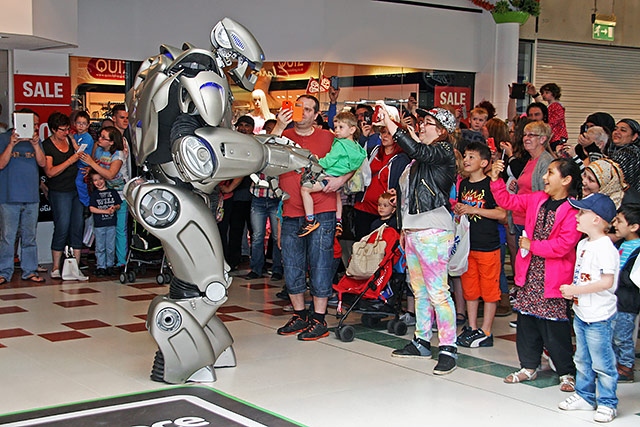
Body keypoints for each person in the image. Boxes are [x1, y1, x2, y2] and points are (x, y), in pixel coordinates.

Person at [490, 157, 582, 391]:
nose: (544, 177)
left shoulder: (573, 210)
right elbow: (507, 200)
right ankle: (528, 367)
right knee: (527, 323)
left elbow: (564, 245)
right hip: (529, 274)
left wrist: (532, 245)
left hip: (553, 278)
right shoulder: (538, 199)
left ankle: (566, 372)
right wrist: (495, 179)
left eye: (550, 173)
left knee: (555, 328)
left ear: (566, 179)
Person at [379, 106, 459, 375]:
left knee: (437, 292)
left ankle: (448, 347)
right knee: (420, 291)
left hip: (434, 231)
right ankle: (422, 340)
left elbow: (418, 150)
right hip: (413, 231)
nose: (422, 126)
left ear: (442, 131)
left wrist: (395, 127)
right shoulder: (420, 160)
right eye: (422, 123)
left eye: (428, 123)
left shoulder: (443, 151)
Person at [272, 94, 349, 341]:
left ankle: (318, 319)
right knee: (291, 264)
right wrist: (280, 126)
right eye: (299, 108)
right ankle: (299, 315)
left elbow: (353, 158)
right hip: (290, 209)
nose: (302, 113)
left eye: (308, 109)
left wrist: (341, 180)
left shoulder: (328, 137)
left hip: (322, 210)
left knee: (320, 263)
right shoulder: (282, 135)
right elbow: (265, 155)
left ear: (316, 114)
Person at [558, 193, 619, 423]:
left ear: (596, 219)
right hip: (582, 312)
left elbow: (607, 282)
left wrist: (576, 291)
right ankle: (584, 396)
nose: (577, 216)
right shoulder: (583, 244)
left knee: (602, 362)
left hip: (599, 316)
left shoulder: (605, 247)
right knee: (582, 358)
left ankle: (607, 402)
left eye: (582, 212)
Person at [454, 142, 506, 348]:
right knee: (470, 289)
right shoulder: (464, 184)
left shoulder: (491, 184)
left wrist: (474, 210)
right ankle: (473, 326)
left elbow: (502, 214)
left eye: (471, 157)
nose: (466, 160)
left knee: (490, 290)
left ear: (484, 162)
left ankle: (486, 330)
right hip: (468, 246)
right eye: (465, 156)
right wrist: (461, 209)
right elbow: (464, 210)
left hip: (488, 245)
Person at [298, 112, 366, 237]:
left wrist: (317, 161)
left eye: (341, 127)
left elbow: (329, 160)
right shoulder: (357, 147)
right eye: (336, 128)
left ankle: (310, 219)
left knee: (305, 189)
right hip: (340, 179)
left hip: (328, 176)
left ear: (352, 129)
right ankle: (338, 221)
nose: (337, 131)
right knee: (337, 195)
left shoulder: (340, 145)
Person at [0, 110, 46, 284]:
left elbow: (42, 163)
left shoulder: (36, 141)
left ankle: (29, 270)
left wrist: (35, 144)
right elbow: (1, 164)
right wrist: (11, 144)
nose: (34, 127)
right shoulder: (4, 138)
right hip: (8, 197)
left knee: (29, 237)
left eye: (36, 124)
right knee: (7, 237)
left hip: (31, 197)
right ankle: (4, 272)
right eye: (31, 123)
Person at [78, 126, 127, 275]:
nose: (99, 139)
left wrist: (92, 164)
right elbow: (97, 167)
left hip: (119, 194)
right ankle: (102, 264)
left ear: (112, 142)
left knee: (119, 230)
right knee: (101, 230)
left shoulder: (118, 155)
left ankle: (120, 262)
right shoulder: (98, 150)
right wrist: (91, 169)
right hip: (102, 194)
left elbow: (111, 174)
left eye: (103, 137)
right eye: (100, 136)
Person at [42, 112, 85, 279]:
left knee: (77, 225)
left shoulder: (70, 140)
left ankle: (76, 266)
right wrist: (71, 160)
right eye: (62, 130)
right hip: (59, 190)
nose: (66, 132)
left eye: (68, 129)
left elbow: (80, 158)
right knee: (62, 225)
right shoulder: (47, 145)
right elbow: (50, 172)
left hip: (76, 189)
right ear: (53, 129)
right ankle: (55, 266)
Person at [611, 204, 640, 383]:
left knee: (623, 336)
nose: (615, 224)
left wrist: (616, 277)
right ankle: (614, 364)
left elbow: (633, 278)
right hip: (614, 298)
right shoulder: (621, 243)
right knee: (613, 333)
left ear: (634, 226)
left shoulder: (637, 248)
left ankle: (626, 366)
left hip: (627, 300)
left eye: (620, 221)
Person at [110, 104, 132, 269]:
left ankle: (119, 260)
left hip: (122, 188)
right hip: (113, 189)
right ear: (114, 119)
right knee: (114, 228)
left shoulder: (126, 138)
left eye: (127, 117)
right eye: (121, 117)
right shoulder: (112, 139)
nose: (125, 120)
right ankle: (117, 261)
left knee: (118, 229)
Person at [88, 170, 122, 277]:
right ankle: (101, 266)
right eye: (95, 180)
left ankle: (110, 266)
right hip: (99, 225)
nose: (98, 182)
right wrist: (105, 211)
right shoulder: (94, 194)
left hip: (111, 223)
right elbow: (92, 208)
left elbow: (118, 205)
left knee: (110, 246)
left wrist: (114, 208)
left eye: (100, 179)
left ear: (105, 179)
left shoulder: (113, 192)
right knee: (100, 247)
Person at [527, 83, 568, 150]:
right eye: (543, 93)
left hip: (557, 135)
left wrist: (545, 128)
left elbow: (554, 120)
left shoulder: (556, 106)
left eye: (547, 93)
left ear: (554, 93)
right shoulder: (550, 106)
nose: (544, 95)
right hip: (552, 135)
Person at [605, 118, 640, 193]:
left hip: (626, 200)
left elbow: (605, 175)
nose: (617, 132)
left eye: (623, 130)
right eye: (615, 129)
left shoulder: (628, 153)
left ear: (634, 136)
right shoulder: (614, 150)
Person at [73, 110, 95, 207]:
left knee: (78, 182)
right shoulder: (75, 135)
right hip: (76, 164)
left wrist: (73, 142)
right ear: (74, 124)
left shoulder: (87, 137)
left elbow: (80, 152)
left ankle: (86, 203)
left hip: (84, 164)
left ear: (88, 125)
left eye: (84, 123)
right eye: (79, 123)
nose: (81, 126)